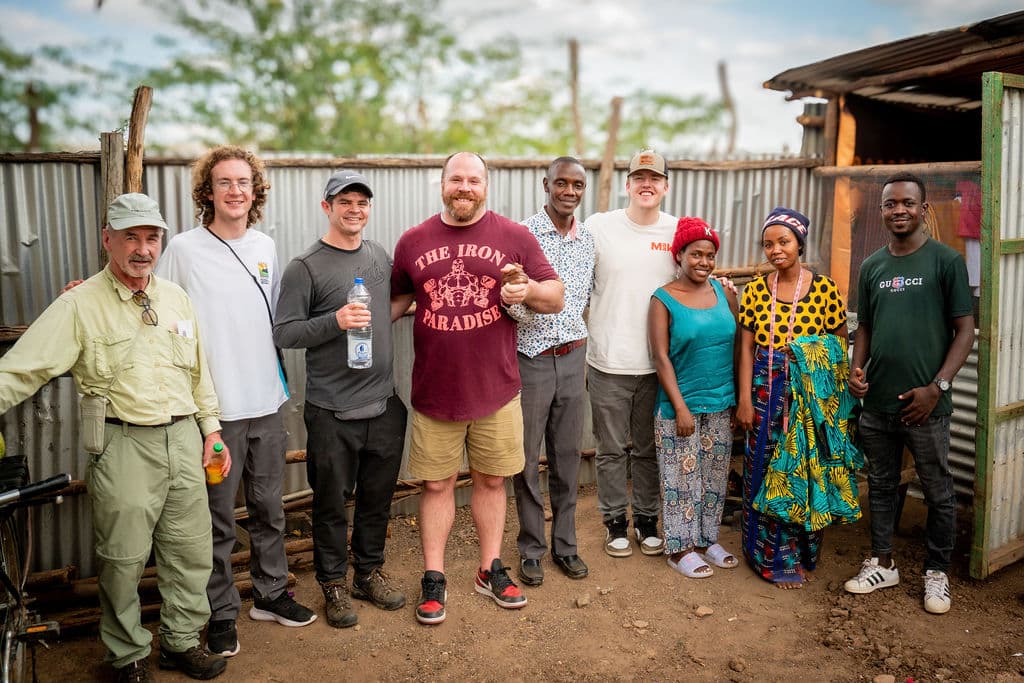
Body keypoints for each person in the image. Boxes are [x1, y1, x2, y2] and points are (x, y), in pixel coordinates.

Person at [0, 194, 229, 682]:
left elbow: (198, 373)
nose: (142, 249)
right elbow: (22, 369)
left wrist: (211, 431)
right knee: (122, 561)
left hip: (184, 439)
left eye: (151, 237)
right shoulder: (79, 304)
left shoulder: (175, 297)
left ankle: (181, 642)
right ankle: (126, 656)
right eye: (131, 237)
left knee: (189, 551)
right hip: (124, 443)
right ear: (108, 240)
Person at [390, 152, 564, 625]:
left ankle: (489, 570)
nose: (464, 187)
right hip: (434, 393)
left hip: (496, 391)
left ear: (485, 185)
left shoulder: (514, 237)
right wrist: (354, 327)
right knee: (438, 484)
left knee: (491, 480)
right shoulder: (413, 241)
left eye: (473, 180)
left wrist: (524, 289)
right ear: (441, 184)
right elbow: (398, 298)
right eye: (456, 179)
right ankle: (433, 577)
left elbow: (556, 295)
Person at [157, 145, 315, 658]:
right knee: (219, 519)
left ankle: (271, 594)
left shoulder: (266, 246)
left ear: (256, 191)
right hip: (215, 413)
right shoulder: (183, 248)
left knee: (269, 508)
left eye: (244, 182)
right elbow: (151, 302)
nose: (235, 191)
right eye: (224, 182)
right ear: (207, 192)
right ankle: (221, 613)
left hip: (266, 403)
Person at [274, 170, 408, 628]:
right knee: (332, 502)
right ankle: (333, 582)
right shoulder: (305, 266)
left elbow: (392, 304)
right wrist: (335, 321)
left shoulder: (378, 255)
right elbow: (285, 331)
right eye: (344, 201)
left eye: (362, 202)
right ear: (326, 206)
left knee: (377, 497)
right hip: (332, 409)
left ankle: (367, 572)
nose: (355, 209)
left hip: (384, 405)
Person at [844, 172, 974, 615]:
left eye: (907, 203)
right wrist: (855, 369)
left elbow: (965, 328)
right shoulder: (872, 265)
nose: (898, 210)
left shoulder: (945, 261)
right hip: (877, 401)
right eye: (890, 204)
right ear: (881, 210)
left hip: (926, 406)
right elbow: (864, 325)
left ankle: (937, 574)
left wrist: (937, 387)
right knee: (880, 484)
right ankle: (882, 562)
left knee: (937, 489)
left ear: (923, 209)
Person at [735, 207, 848, 589]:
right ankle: (765, 557)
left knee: (802, 473)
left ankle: (800, 554)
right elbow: (745, 349)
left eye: (783, 241)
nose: (775, 250)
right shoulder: (754, 291)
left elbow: (838, 346)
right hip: (765, 397)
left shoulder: (826, 290)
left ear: (800, 243)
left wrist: (805, 357)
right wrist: (745, 402)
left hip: (807, 400)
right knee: (764, 472)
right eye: (768, 243)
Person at [585, 149, 676, 558]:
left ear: (665, 187)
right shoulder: (600, 227)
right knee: (609, 449)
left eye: (654, 178)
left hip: (658, 364)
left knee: (648, 448)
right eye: (639, 177)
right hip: (607, 360)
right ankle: (614, 523)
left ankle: (645, 520)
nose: (646, 184)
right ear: (627, 184)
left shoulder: (678, 232)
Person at [507, 156, 592, 586]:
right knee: (525, 458)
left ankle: (566, 546)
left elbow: (584, 299)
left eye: (577, 185)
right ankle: (531, 548)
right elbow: (508, 298)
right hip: (532, 357)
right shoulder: (522, 235)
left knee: (566, 457)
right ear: (546, 184)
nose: (570, 192)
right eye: (562, 183)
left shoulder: (588, 240)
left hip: (574, 356)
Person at [649, 217, 739, 579]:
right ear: (680, 255)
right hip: (678, 407)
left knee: (714, 478)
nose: (704, 261)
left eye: (710, 255)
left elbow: (735, 347)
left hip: (721, 401)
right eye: (696, 254)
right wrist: (681, 407)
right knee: (680, 480)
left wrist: (736, 399)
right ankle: (679, 548)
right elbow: (660, 358)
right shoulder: (663, 299)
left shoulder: (725, 293)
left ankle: (706, 540)